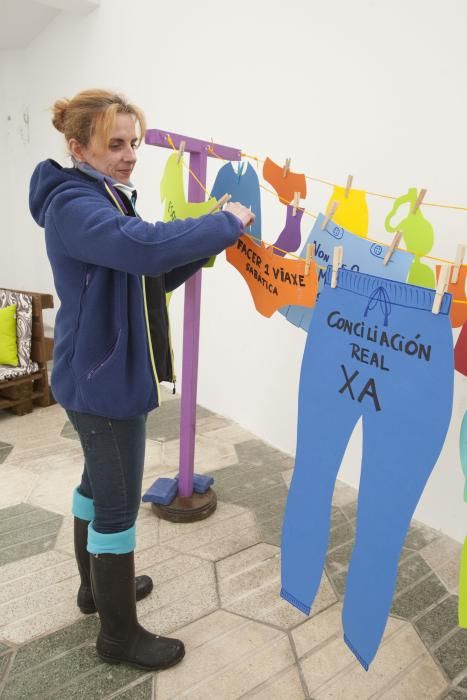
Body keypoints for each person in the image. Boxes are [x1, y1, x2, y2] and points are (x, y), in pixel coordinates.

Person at [29, 89, 254, 672]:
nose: (131, 155)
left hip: (98, 371)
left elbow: (141, 274)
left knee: (95, 484)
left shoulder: (102, 194)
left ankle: (94, 593)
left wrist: (202, 248)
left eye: (135, 142)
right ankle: (119, 637)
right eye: (115, 144)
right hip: (103, 381)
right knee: (119, 505)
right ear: (78, 147)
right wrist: (221, 224)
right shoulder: (76, 205)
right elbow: (141, 248)